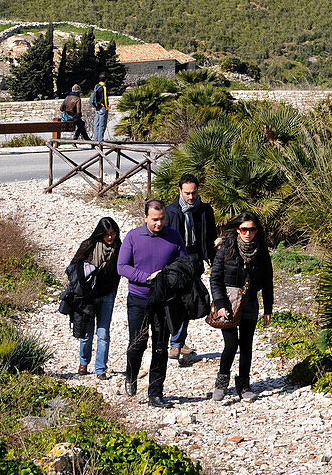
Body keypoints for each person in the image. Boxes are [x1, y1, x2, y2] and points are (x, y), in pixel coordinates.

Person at [117, 199, 186, 407]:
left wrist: (169, 278)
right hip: (138, 299)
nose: (159, 223)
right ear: (145, 217)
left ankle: (156, 392)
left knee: (160, 347)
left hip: (164, 301)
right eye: (155, 219)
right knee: (137, 344)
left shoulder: (173, 236)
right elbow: (122, 267)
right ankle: (131, 375)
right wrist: (147, 277)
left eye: (162, 219)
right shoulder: (133, 236)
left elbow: (183, 264)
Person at [209, 211, 273, 402]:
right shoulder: (226, 247)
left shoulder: (261, 250)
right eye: (244, 229)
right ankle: (221, 381)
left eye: (252, 230)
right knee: (230, 344)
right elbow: (215, 278)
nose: (248, 233)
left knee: (246, 345)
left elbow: (268, 280)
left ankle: (244, 384)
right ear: (238, 229)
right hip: (228, 301)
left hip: (250, 301)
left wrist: (268, 308)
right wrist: (220, 304)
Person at [59, 217, 121, 380]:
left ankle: (100, 368)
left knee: (103, 333)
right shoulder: (89, 246)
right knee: (86, 333)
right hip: (88, 297)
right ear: (100, 234)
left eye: (113, 234)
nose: (110, 238)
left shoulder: (118, 248)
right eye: (107, 234)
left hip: (107, 295)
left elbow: (120, 270)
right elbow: (72, 268)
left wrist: (114, 291)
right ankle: (83, 363)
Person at [165, 174, 217, 362]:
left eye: (194, 193)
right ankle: (176, 342)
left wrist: (213, 260)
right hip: (175, 262)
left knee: (189, 300)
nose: (190, 197)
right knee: (175, 301)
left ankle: (177, 342)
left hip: (194, 260)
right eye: (187, 193)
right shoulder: (170, 211)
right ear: (180, 191)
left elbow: (211, 236)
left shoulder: (204, 211)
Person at [91, 72, 110, 142]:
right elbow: (104, 98)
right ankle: (100, 140)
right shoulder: (103, 87)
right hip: (102, 107)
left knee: (97, 124)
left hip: (97, 107)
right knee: (102, 124)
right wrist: (106, 107)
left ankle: (95, 140)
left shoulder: (97, 86)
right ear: (106, 80)